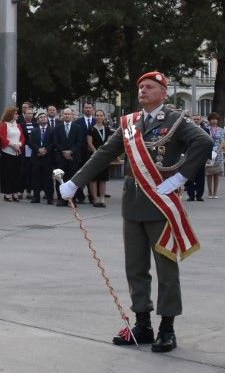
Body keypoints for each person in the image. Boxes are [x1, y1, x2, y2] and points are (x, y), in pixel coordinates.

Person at [59, 71, 212, 354]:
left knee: (166, 269)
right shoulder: (130, 123)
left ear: (163, 92)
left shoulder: (176, 120)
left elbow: (203, 142)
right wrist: (75, 181)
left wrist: (180, 178)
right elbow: (104, 153)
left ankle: (167, 327)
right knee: (135, 268)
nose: (143, 90)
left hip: (161, 205)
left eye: (149, 87)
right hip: (133, 204)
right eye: (140, 86)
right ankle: (142, 324)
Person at [0, 106, 25, 203]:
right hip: (7, 152)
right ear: (11, 114)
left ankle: (15, 192)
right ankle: (7, 193)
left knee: (17, 174)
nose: (17, 115)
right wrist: (13, 145)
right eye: (16, 113)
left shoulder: (18, 125)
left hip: (17, 152)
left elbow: (22, 138)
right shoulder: (4, 125)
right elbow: (3, 138)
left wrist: (19, 145)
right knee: (7, 173)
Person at [86, 109, 111, 207]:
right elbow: (89, 143)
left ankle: (102, 199)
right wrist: (96, 153)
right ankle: (95, 199)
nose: (99, 117)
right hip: (94, 156)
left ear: (104, 117)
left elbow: (109, 143)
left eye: (101, 115)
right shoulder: (91, 129)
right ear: (94, 117)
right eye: (97, 115)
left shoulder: (107, 129)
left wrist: (105, 154)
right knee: (94, 179)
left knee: (103, 179)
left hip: (104, 157)